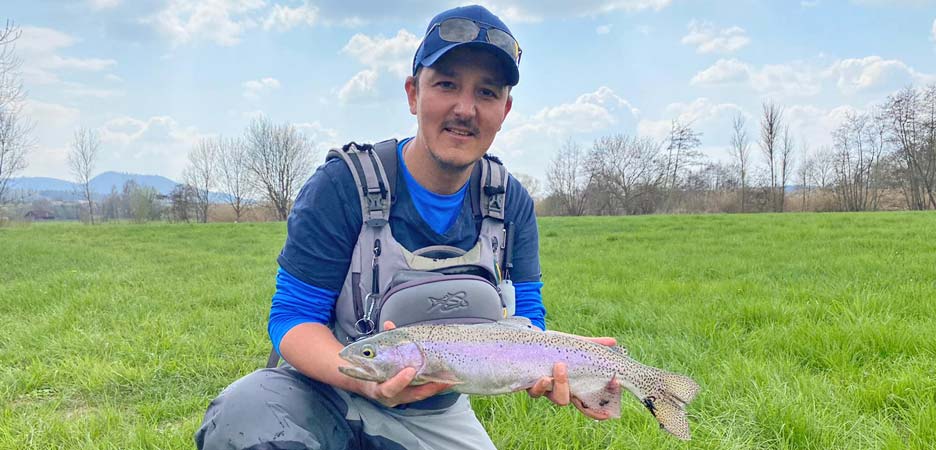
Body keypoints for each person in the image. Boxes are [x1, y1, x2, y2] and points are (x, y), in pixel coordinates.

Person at [196, 5, 614, 450]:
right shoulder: (341, 187)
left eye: (487, 92)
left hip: (437, 415)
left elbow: (527, 320)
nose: (465, 108)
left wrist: (566, 367)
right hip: (321, 394)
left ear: (505, 110)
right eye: (446, 84)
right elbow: (292, 318)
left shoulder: (510, 202)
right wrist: (367, 382)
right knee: (245, 417)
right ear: (414, 94)